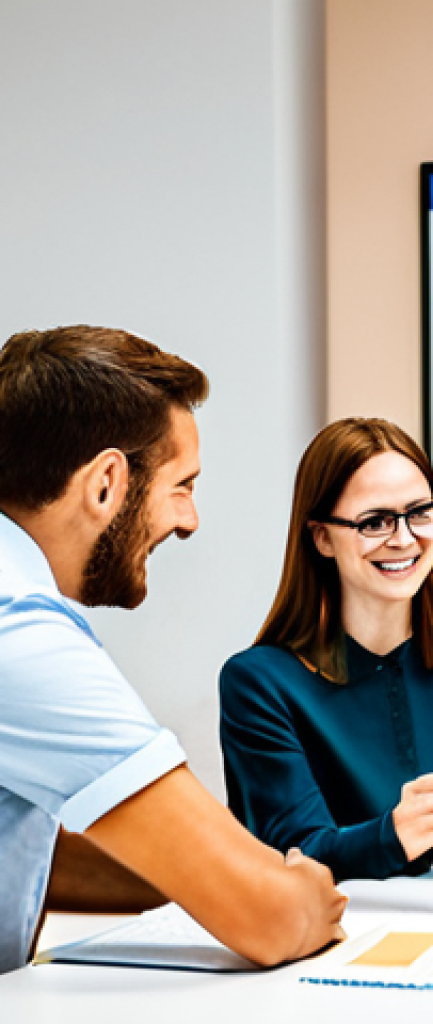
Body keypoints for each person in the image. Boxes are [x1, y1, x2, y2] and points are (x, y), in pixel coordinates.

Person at [0, 326, 346, 975]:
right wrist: (294, 890)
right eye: (181, 485)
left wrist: (218, 872)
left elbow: (34, 845)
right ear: (107, 482)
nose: (190, 520)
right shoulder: (17, 631)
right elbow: (271, 921)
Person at [219, 418, 433, 881]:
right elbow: (294, 855)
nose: (404, 539)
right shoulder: (259, 684)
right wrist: (397, 833)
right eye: (375, 522)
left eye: (419, 513)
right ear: (322, 537)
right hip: (341, 939)